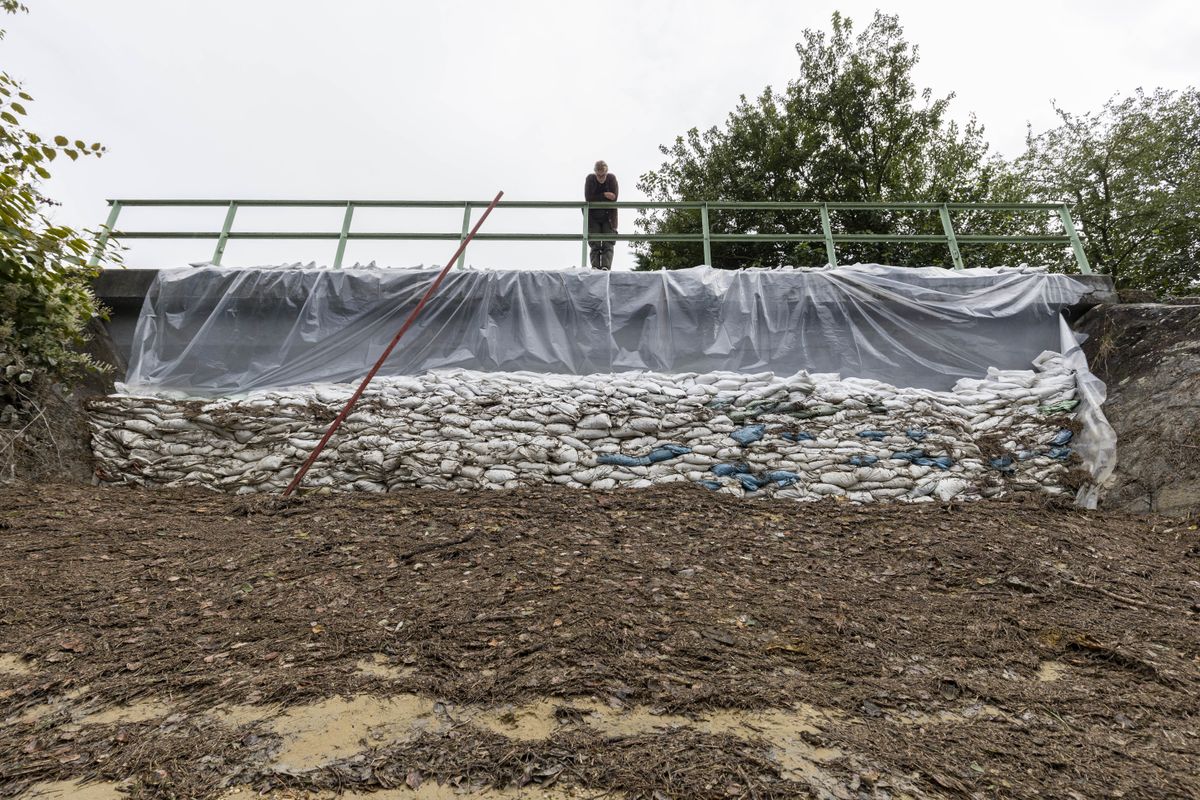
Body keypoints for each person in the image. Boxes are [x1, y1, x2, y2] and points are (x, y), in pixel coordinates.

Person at [584, 160, 618, 270]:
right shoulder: (590, 179)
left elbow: (614, 197)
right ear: (595, 173)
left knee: (608, 243)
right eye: (598, 175)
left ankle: (606, 267)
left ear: (606, 172)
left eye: (603, 175)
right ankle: (595, 267)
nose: (601, 177)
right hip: (593, 216)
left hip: (609, 216)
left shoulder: (611, 179)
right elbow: (588, 198)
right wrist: (604, 195)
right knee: (595, 243)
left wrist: (597, 197)